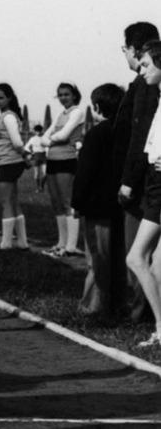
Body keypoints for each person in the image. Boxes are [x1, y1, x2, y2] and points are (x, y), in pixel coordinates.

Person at [114, 21, 160, 323]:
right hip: (150, 179)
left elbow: (139, 136)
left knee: (138, 254)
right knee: (144, 257)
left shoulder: (147, 87)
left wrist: (129, 180)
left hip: (148, 183)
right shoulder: (147, 85)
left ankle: (142, 313)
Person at [71, 83, 125, 320]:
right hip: (121, 205)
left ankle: (94, 306)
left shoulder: (96, 134)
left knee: (97, 258)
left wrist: (77, 202)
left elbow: (85, 172)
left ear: (98, 107)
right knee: (118, 258)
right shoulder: (127, 132)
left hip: (97, 205)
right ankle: (119, 304)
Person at [125, 40, 161, 346]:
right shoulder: (159, 97)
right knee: (156, 265)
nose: (142, 69)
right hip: (154, 183)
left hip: (160, 186)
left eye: (147, 64)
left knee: (136, 258)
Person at [41, 82, 85, 258]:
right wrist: (53, 139)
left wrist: (51, 139)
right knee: (56, 203)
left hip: (67, 160)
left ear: (74, 95)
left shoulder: (77, 112)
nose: (63, 97)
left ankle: (71, 247)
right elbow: (44, 138)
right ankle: (61, 243)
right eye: (60, 95)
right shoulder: (61, 114)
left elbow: (64, 135)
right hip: (52, 160)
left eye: (66, 94)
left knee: (68, 203)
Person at [0, 83, 30, 250]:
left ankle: (6, 244)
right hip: (11, 162)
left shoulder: (8, 117)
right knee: (14, 201)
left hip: (8, 162)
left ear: (9, 98)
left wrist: (25, 154)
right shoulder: (9, 116)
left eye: (1, 97)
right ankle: (22, 242)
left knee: (6, 202)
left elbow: (17, 142)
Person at [24, 124, 47, 192]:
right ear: (35, 131)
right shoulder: (32, 139)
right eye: (36, 131)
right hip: (36, 156)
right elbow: (26, 147)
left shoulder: (44, 138)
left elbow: (48, 147)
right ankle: (38, 188)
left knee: (46, 173)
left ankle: (42, 186)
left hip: (44, 156)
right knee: (36, 174)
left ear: (41, 131)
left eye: (39, 131)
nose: (38, 132)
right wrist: (31, 153)